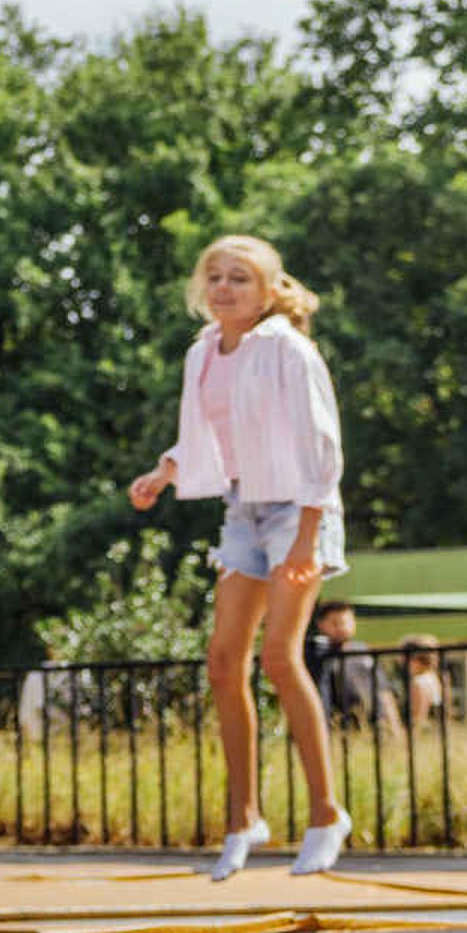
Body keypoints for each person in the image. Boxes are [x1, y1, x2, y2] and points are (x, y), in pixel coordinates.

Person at [126, 233, 350, 881]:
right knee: (225, 661)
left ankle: (326, 813)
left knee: (281, 657)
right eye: (216, 277)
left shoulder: (288, 349)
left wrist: (307, 539)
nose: (226, 288)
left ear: (268, 291)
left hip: (299, 511)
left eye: (241, 279)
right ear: (203, 288)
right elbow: (206, 433)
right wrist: (163, 472)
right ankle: (243, 817)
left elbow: (321, 445)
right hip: (245, 508)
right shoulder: (204, 352)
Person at [306, 603, 385, 730]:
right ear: (320, 625)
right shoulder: (316, 656)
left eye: (346, 622)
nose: (341, 628)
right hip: (337, 724)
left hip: (373, 722)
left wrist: (394, 725)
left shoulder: (363, 650)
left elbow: (383, 690)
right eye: (335, 623)